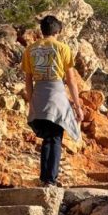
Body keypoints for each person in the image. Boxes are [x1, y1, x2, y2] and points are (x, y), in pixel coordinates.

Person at [22, 15, 84, 186]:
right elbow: (71, 80)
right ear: (58, 31)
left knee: (48, 137)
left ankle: (45, 178)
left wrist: (31, 101)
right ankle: (50, 179)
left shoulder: (30, 50)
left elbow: (28, 80)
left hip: (39, 95)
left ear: (42, 31)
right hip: (56, 94)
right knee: (55, 136)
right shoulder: (63, 48)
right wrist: (77, 106)